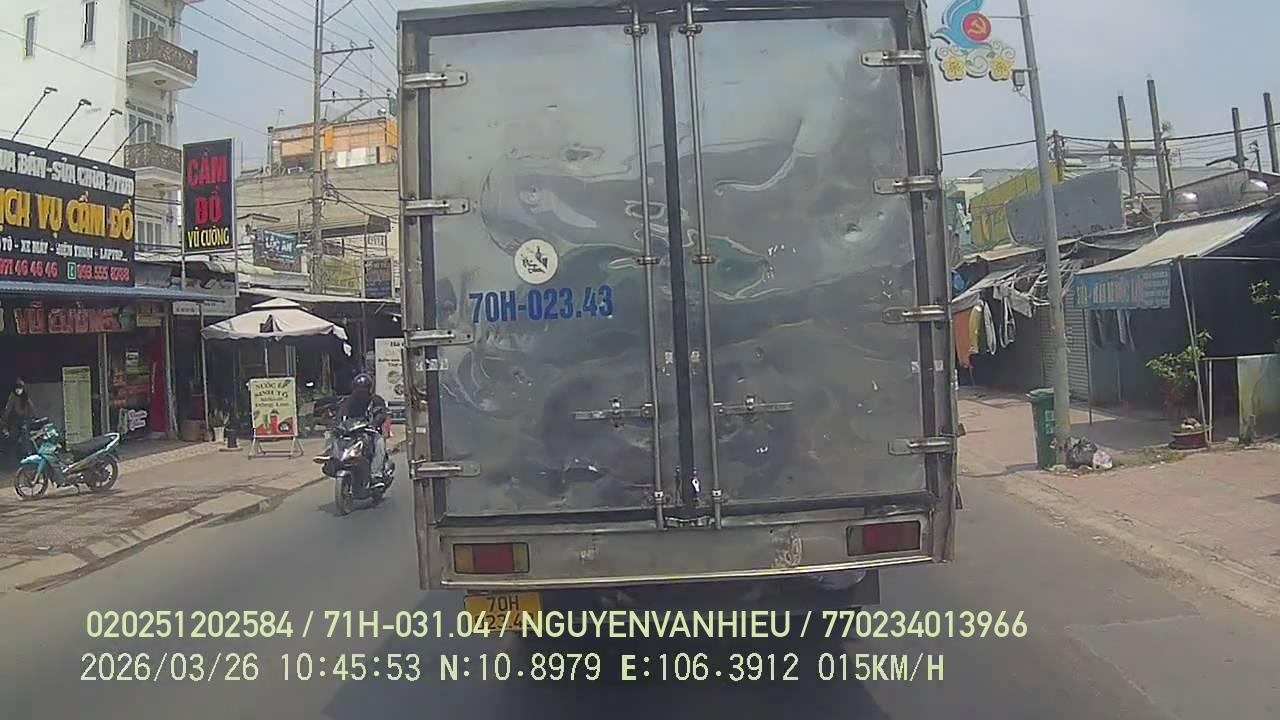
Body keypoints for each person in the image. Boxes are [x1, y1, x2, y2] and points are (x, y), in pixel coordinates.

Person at [338, 373, 391, 487]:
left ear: (369, 388)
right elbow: (341, 414)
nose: (361, 391)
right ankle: (334, 459)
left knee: (379, 444)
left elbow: (382, 413)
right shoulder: (348, 401)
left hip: (370, 430)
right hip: (353, 431)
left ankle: (376, 474)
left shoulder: (376, 400)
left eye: (364, 388)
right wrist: (337, 424)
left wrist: (374, 423)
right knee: (336, 438)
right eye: (359, 388)